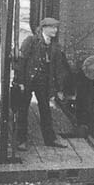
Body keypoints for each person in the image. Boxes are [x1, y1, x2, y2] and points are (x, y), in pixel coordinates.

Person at [14, 16, 70, 150]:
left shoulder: (55, 47)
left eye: (56, 28)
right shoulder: (31, 41)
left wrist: (58, 89)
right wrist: (20, 81)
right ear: (44, 28)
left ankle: (50, 140)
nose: (55, 30)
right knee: (23, 111)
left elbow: (58, 70)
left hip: (43, 83)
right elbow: (21, 62)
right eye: (52, 27)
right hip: (28, 81)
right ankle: (21, 141)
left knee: (46, 110)